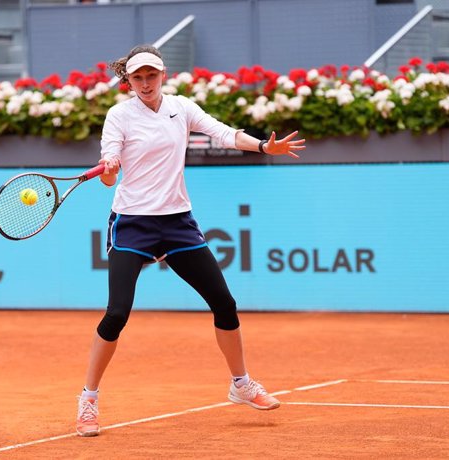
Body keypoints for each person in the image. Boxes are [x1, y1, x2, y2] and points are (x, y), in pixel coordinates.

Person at [75, 44, 305, 437]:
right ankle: (88, 400)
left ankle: (241, 385)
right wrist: (111, 169)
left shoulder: (181, 108)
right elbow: (110, 172)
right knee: (117, 313)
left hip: (177, 222)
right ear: (128, 81)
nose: (145, 83)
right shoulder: (118, 115)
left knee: (224, 302)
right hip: (133, 224)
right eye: (137, 77)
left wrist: (265, 146)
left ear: (163, 75)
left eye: (151, 75)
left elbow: (224, 134)